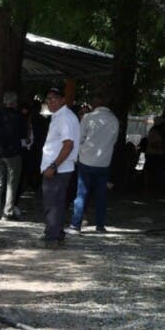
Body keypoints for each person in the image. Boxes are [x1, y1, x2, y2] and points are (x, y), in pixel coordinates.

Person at [68, 92, 119, 234]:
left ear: (94, 104)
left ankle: (76, 225)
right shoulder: (114, 119)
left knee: (81, 194)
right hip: (104, 161)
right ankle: (100, 225)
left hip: (86, 160)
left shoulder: (88, 118)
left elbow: (79, 138)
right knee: (101, 195)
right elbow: (114, 141)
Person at [40, 86, 79, 246]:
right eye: (48, 99)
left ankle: (52, 238)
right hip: (58, 168)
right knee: (56, 203)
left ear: (63, 100)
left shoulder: (65, 118)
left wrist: (54, 166)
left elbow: (68, 145)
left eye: (54, 99)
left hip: (58, 169)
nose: (50, 102)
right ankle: (57, 234)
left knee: (53, 204)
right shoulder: (59, 116)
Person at [0, 91, 25, 220]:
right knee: (12, 183)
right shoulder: (19, 116)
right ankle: (7, 212)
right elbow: (23, 134)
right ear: (14, 102)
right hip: (14, 153)